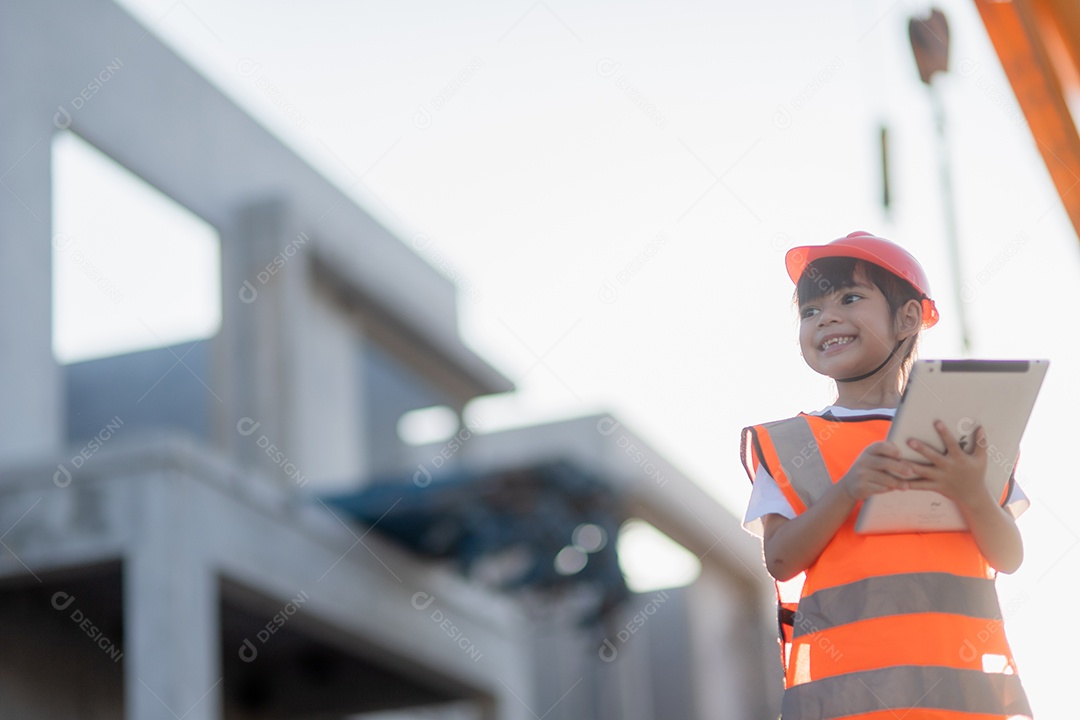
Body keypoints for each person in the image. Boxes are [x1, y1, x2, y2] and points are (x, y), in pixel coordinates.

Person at [740, 231, 1032, 720]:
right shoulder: (788, 443)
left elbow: (1010, 555)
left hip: (961, 702)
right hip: (846, 703)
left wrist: (971, 495)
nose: (826, 317)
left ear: (908, 318)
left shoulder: (962, 436)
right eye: (810, 311)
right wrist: (848, 490)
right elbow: (781, 559)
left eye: (849, 298)